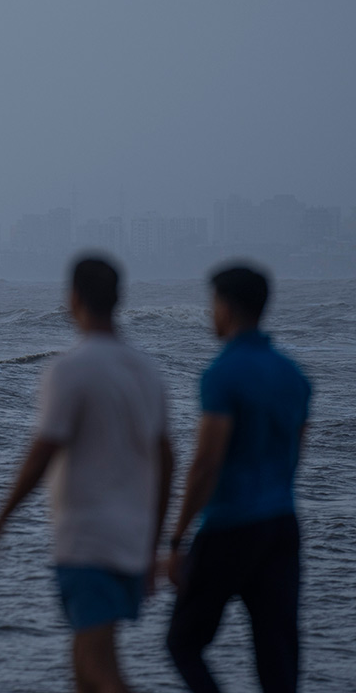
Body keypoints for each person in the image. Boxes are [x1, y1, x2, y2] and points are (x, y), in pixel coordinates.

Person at [0, 256, 174, 693]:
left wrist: (0, 519)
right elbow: (167, 459)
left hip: (88, 539)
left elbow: (42, 452)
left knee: (97, 663)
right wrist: (153, 541)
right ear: (118, 299)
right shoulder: (147, 370)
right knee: (84, 664)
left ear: (73, 298)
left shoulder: (71, 369)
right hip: (131, 537)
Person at [166, 265, 311, 692]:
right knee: (277, 658)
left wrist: (177, 539)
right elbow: (294, 453)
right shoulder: (294, 375)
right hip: (282, 526)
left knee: (183, 642)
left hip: (231, 527)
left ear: (225, 307)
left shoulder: (223, 373)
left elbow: (206, 462)